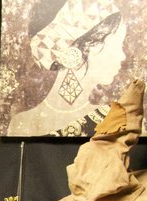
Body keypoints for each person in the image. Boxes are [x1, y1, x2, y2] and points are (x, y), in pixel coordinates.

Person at [7, 0, 126, 136]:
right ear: (73, 54)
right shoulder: (22, 125)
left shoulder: (117, 120)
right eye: (116, 45)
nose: (122, 56)